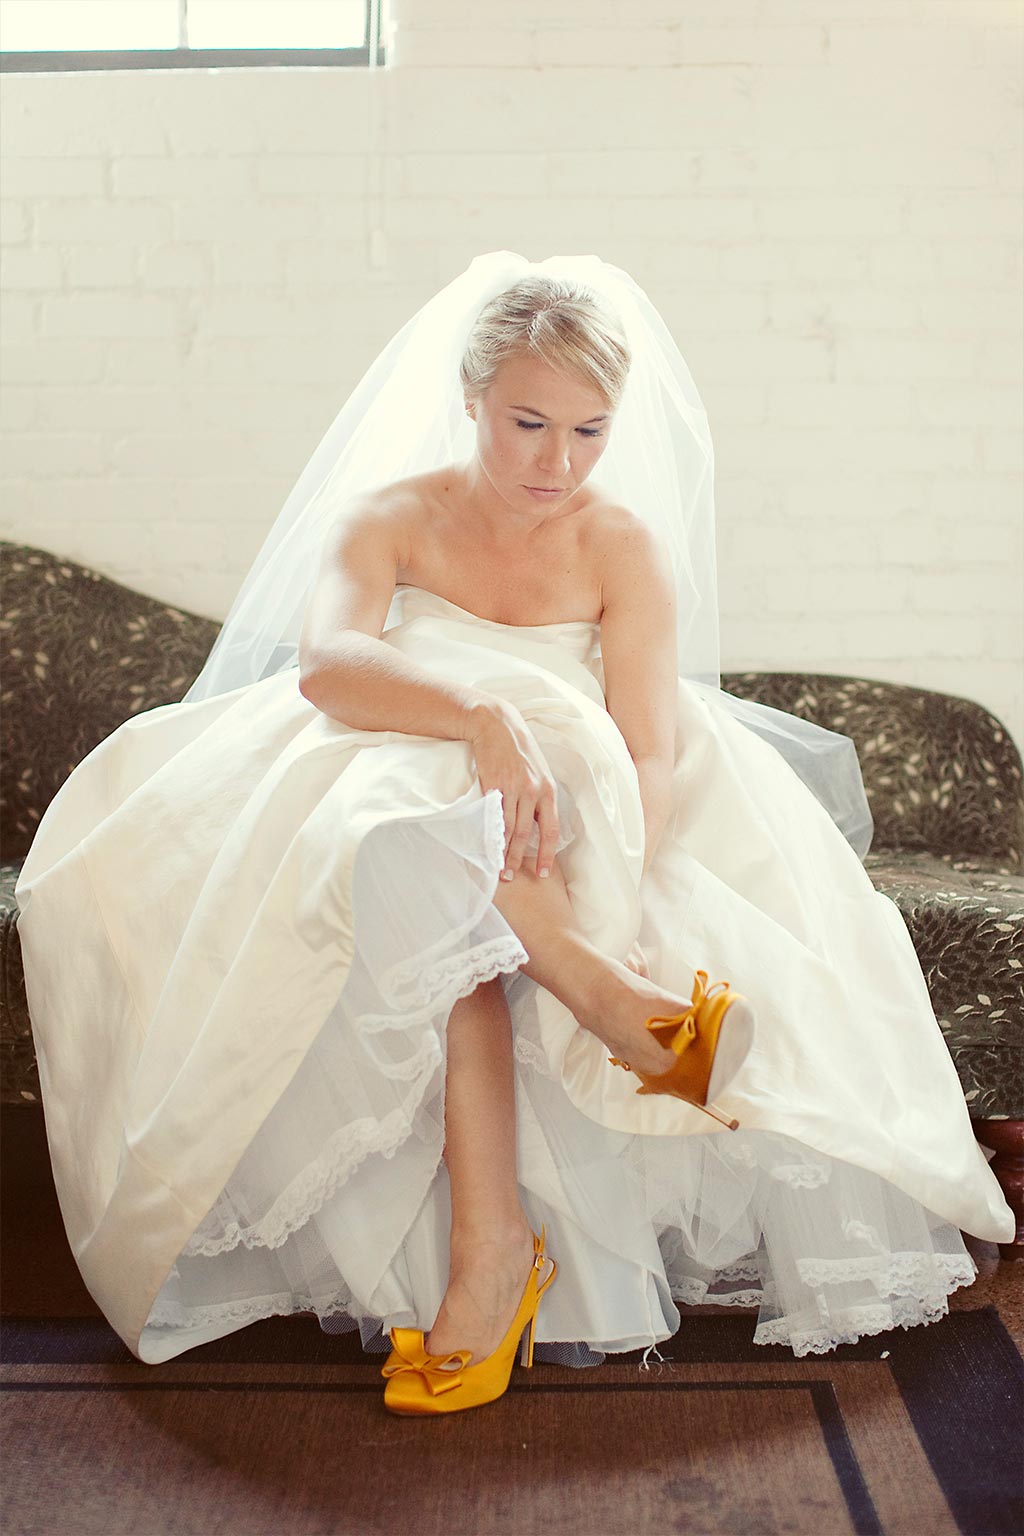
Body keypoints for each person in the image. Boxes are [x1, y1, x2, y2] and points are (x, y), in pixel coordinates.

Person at [15, 253, 1014, 1420]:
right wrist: (478, 716)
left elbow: (646, 743)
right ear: (474, 397)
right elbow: (332, 668)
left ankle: (495, 1255)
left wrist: (624, 878)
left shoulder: (620, 543)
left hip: (573, 801)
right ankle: (601, 1014)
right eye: (528, 423)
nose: (557, 461)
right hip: (409, 762)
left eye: (589, 431)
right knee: (405, 823)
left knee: (494, 825)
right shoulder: (390, 517)